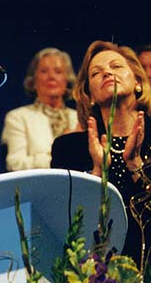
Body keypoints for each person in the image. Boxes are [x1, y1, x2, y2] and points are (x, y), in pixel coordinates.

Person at [51, 40, 151, 265]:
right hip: (97, 276)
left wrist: (135, 165)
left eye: (116, 67)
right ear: (90, 94)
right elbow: (65, 223)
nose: (107, 72)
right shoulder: (68, 148)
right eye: (96, 73)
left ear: (137, 81)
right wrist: (96, 172)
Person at [1, 47, 78, 170]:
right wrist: (58, 153)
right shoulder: (18, 117)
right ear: (34, 80)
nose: (51, 76)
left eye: (58, 71)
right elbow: (14, 164)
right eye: (44, 71)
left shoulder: (79, 118)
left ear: (67, 80)